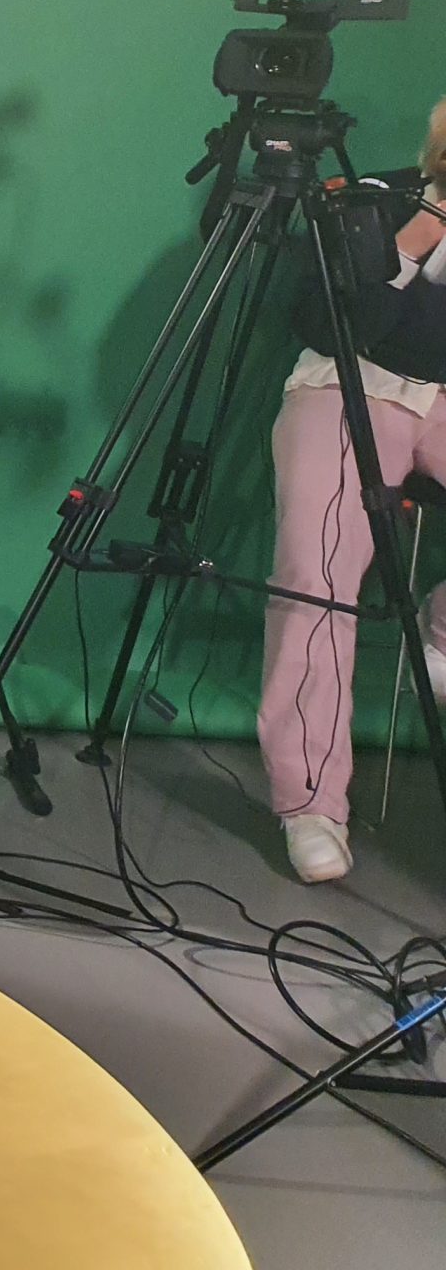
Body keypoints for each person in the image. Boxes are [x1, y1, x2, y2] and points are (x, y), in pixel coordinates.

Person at [258, 102, 446, 884]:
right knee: (318, 568)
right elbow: (325, 318)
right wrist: (416, 238)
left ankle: (444, 628)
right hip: (352, 382)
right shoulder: (372, 198)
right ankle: (310, 802)